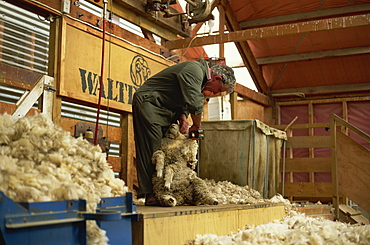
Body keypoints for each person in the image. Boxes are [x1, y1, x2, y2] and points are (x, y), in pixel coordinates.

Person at [132, 60, 236, 206]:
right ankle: (151, 193)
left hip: (167, 108)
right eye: (217, 90)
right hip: (150, 103)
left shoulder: (200, 80)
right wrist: (196, 126)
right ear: (216, 78)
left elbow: (184, 97)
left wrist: (183, 116)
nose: (214, 93)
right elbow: (194, 102)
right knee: (153, 148)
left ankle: (167, 190)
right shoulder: (195, 70)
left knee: (169, 149)